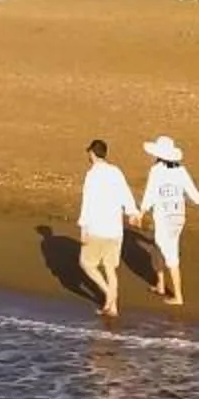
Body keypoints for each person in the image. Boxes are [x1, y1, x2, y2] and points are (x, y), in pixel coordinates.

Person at [137, 135, 199, 306]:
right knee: (158, 249)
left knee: (170, 253)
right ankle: (160, 284)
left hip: (164, 217)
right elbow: (192, 191)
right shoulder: (181, 170)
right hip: (178, 216)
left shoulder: (156, 171)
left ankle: (178, 296)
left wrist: (141, 212)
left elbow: (150, 193)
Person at [75, 139, 137, 328]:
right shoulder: (116, 172)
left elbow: (88, 201)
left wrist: (83, 226)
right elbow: (125, 193)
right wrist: (132, 211)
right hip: (114, 229)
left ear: (92, 153)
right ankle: (113, 306)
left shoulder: (92, 175)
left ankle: (109, 296)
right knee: (110, 268)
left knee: (86, 263)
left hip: (97, 228)